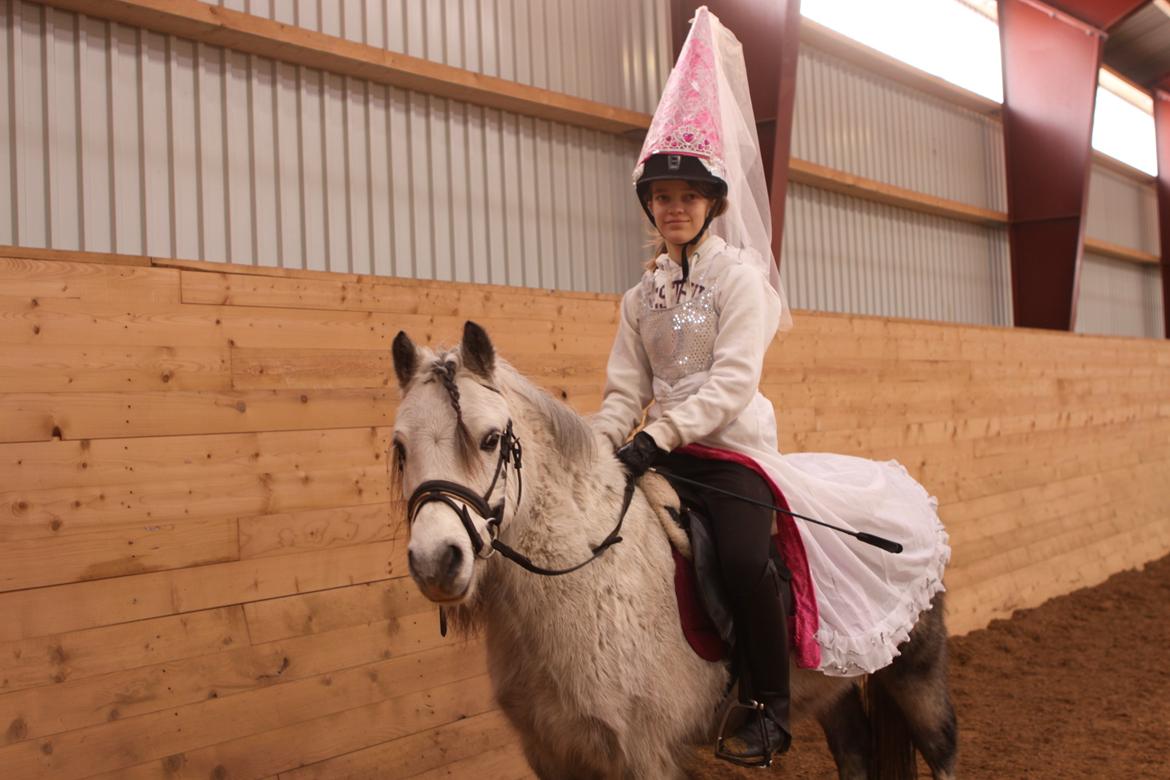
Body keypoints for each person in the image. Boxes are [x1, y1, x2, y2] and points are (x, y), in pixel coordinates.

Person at [590, 6, 950, 767]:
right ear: (650, 207)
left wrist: (657, 434)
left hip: (732, 460)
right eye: (662, 197)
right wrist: (598, 444)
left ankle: (767, 706)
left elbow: (730, 384)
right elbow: (624, 392)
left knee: (747, 558)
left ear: (713, 203)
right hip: (663, 460)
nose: (675, 206)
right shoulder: (638, 299)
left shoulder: (739, 281)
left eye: (688, 195)